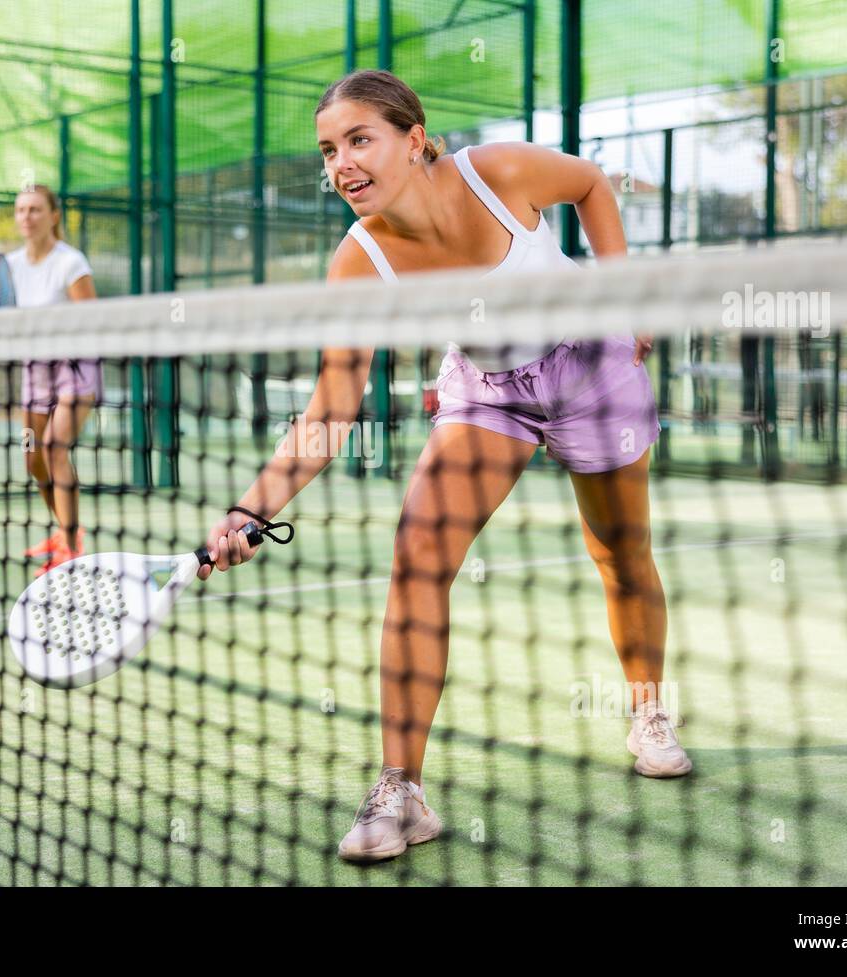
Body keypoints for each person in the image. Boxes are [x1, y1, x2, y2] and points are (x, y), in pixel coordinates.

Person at [199, 69, 690, 865]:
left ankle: (648, 710)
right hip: (489, 390)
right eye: (329, 150)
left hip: (594, 364)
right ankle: (403, 788)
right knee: (418, 553)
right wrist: (250, 511)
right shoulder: (358, 264)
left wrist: (627, 291)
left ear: (415, 138)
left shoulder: (499, 173)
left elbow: (594, 184)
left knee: (621, 554)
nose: (342, 163)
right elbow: (330, 411)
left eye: (360, 139)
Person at [7, 184, 100, 575]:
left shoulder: (70, 263)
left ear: (53, 215)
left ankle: (71, 542)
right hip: (34, 371)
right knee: (33, 458)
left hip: (74, 369)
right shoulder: (9, 264)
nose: (27, 216)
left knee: (54, 446)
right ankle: (64, 533)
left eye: (35, 209)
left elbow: (92, 318)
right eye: (21, 210)